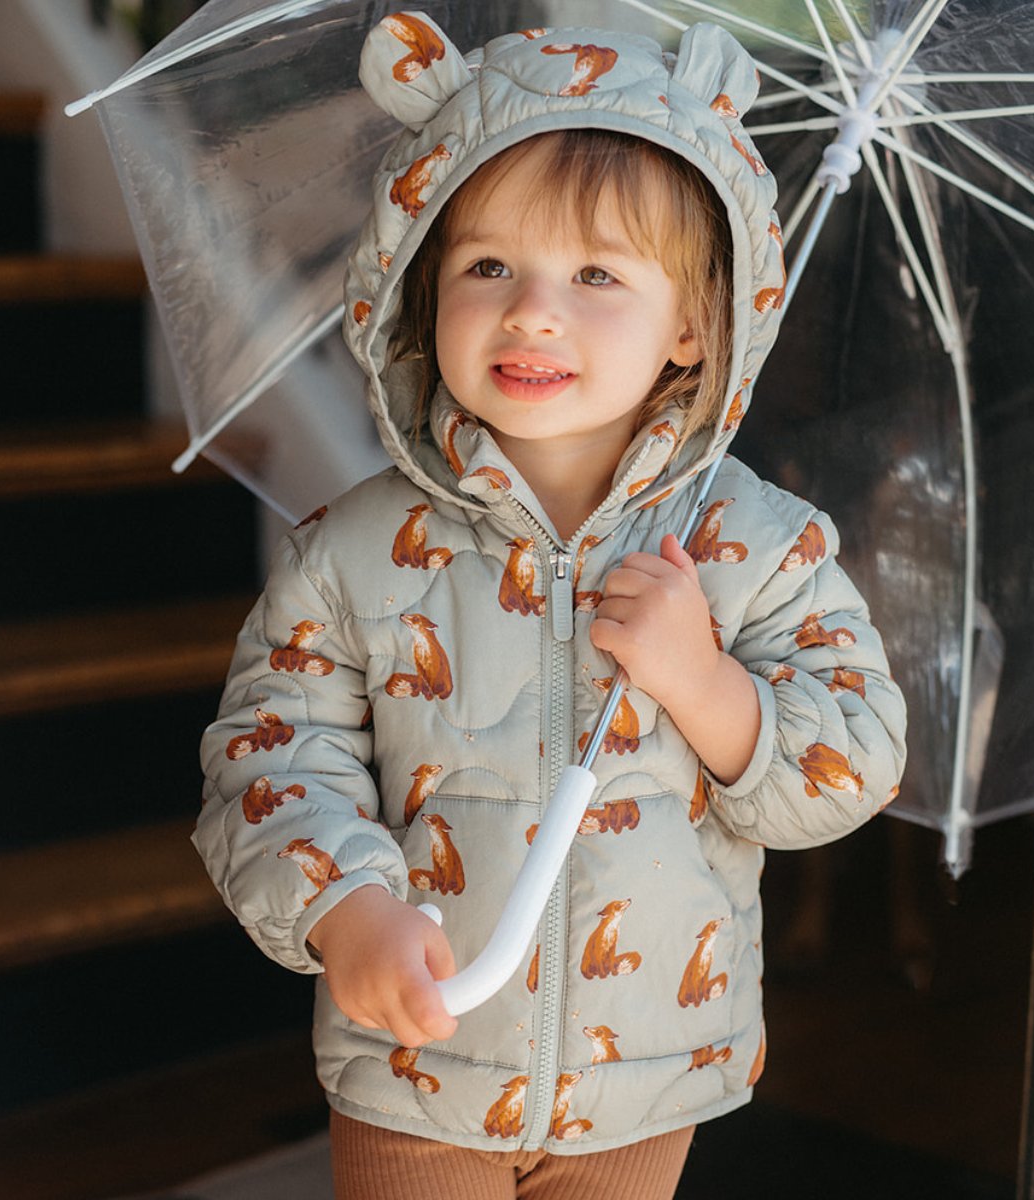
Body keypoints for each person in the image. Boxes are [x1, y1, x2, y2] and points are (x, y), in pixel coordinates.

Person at [193, 14, 908, 1200]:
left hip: (647, 1083)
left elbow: (858, 756)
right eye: (488, 267)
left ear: (691, 323)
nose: (532, 311)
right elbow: (270, 757)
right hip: (417, 1066)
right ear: (418, 288)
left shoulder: (755, 549)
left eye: (595, 274)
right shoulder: (355, 553)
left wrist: (708, 685)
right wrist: (347, 911)